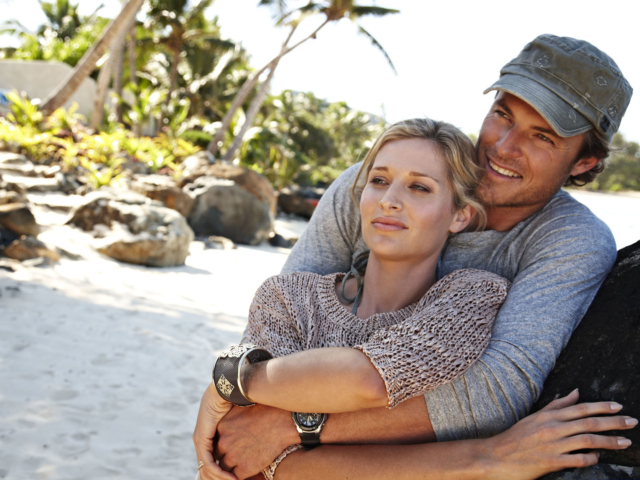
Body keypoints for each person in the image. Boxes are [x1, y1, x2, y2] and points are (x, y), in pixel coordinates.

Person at [194, 34, 635, 478]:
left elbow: (493, 391)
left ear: (583, 162)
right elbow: (275, 342)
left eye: (542, 136)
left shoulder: (563, 242)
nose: (503, 146)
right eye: (502, 114)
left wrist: (295, 424)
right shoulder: (370, 188)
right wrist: (237, 387)